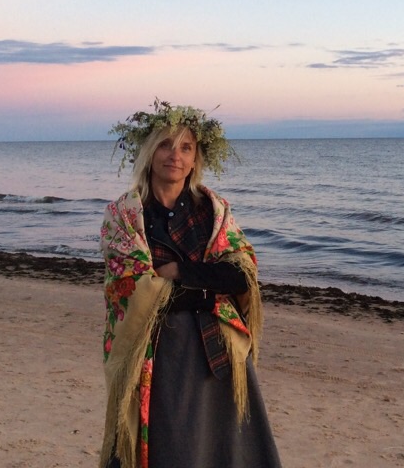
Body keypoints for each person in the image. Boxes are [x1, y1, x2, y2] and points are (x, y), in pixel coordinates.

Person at [99, 100, 282, 468]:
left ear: (196, 158)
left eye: (186, 148)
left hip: (220, 351)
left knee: (225, 446)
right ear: (149, 152)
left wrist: (179, 272)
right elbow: (132, 289)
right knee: (173, 447)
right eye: (166, 145)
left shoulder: (213, 210)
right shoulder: (124, 215)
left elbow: (242, 273)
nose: (175, 156)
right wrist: (209, 289)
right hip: (159, 353)